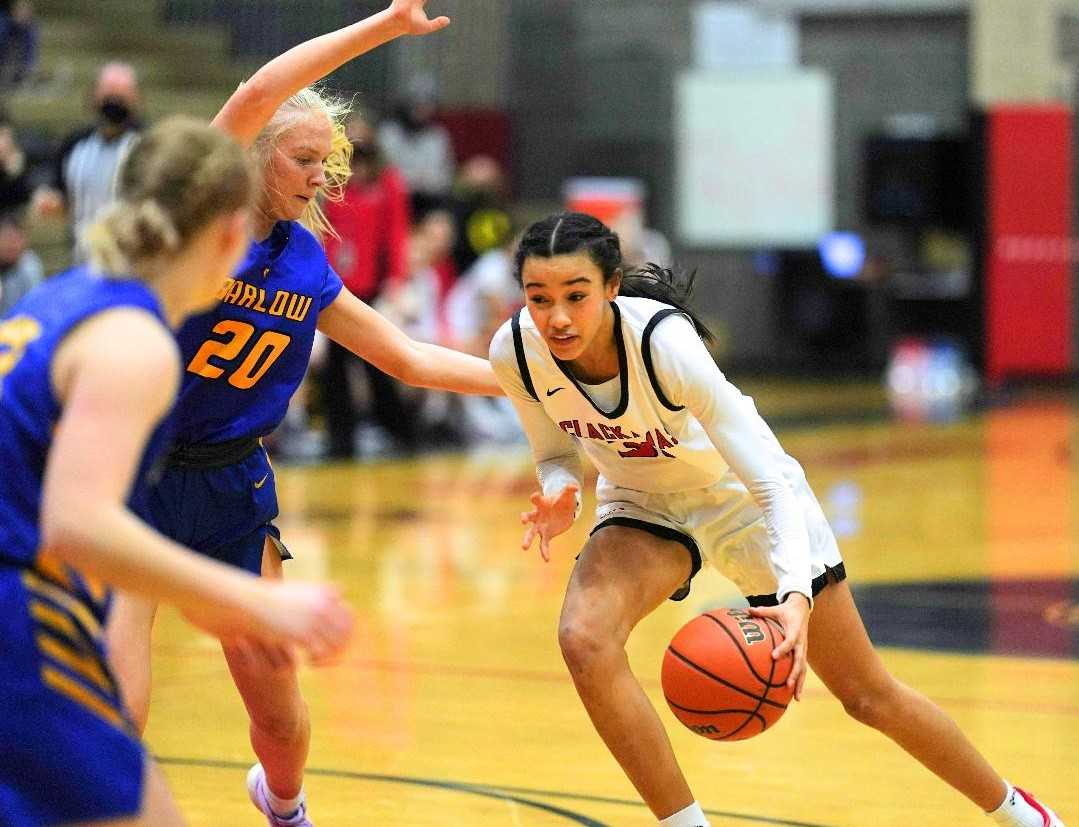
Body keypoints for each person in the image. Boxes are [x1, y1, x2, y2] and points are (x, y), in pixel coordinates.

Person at [489, 211, 1066, 827]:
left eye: (575, 296)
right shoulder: (516, 349)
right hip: (643, 500)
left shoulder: (665, 345)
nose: (556, 316)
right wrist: (562, 491)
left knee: (868, 697)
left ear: (611, 287)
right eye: (539, 297)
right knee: (584, 639)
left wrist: (794, 596)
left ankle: (1020, 813)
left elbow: (769, 483)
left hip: (744, 499)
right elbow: (555, 454)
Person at [105, 4, 503, 826]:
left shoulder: (305, 263)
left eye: (330, 160)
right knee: (121, 708)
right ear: (250, 154)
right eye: (304, 158)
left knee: (279, 715)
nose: (322, 175)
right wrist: (384, 28)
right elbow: (258, 87)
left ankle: (283, 808)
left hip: (230, 489)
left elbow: (408, 358)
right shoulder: (194, 219)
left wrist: (535, 385)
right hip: (133, 478)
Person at [0, 116, 354, 827]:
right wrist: (253, 599)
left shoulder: (65, 296)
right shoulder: (135, 341)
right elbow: (78, 523)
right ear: (228, 234)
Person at [321, 112, 412, 458]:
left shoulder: (388, 182)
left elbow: (397, 233)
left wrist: (396, 279)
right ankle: (340, 440)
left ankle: (400, 430)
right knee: (336, 367)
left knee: (378, 361)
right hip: (337, 287)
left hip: (372, 286)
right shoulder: (333, 184)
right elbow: (327, 234)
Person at [32, 61, 143, 264]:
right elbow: (58, 191)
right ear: (93, 95)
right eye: (108, 93)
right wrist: (50, 201)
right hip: (82, 256)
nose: (114, 101)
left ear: (135, 98)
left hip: (134, 261)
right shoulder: (74, 143)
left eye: (121, 95)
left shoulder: (148, 145)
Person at [0, 209, 43, 316]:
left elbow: (34, 305)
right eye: (7, 238)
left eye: (17, 239)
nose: (12, 245)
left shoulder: (29, 265)